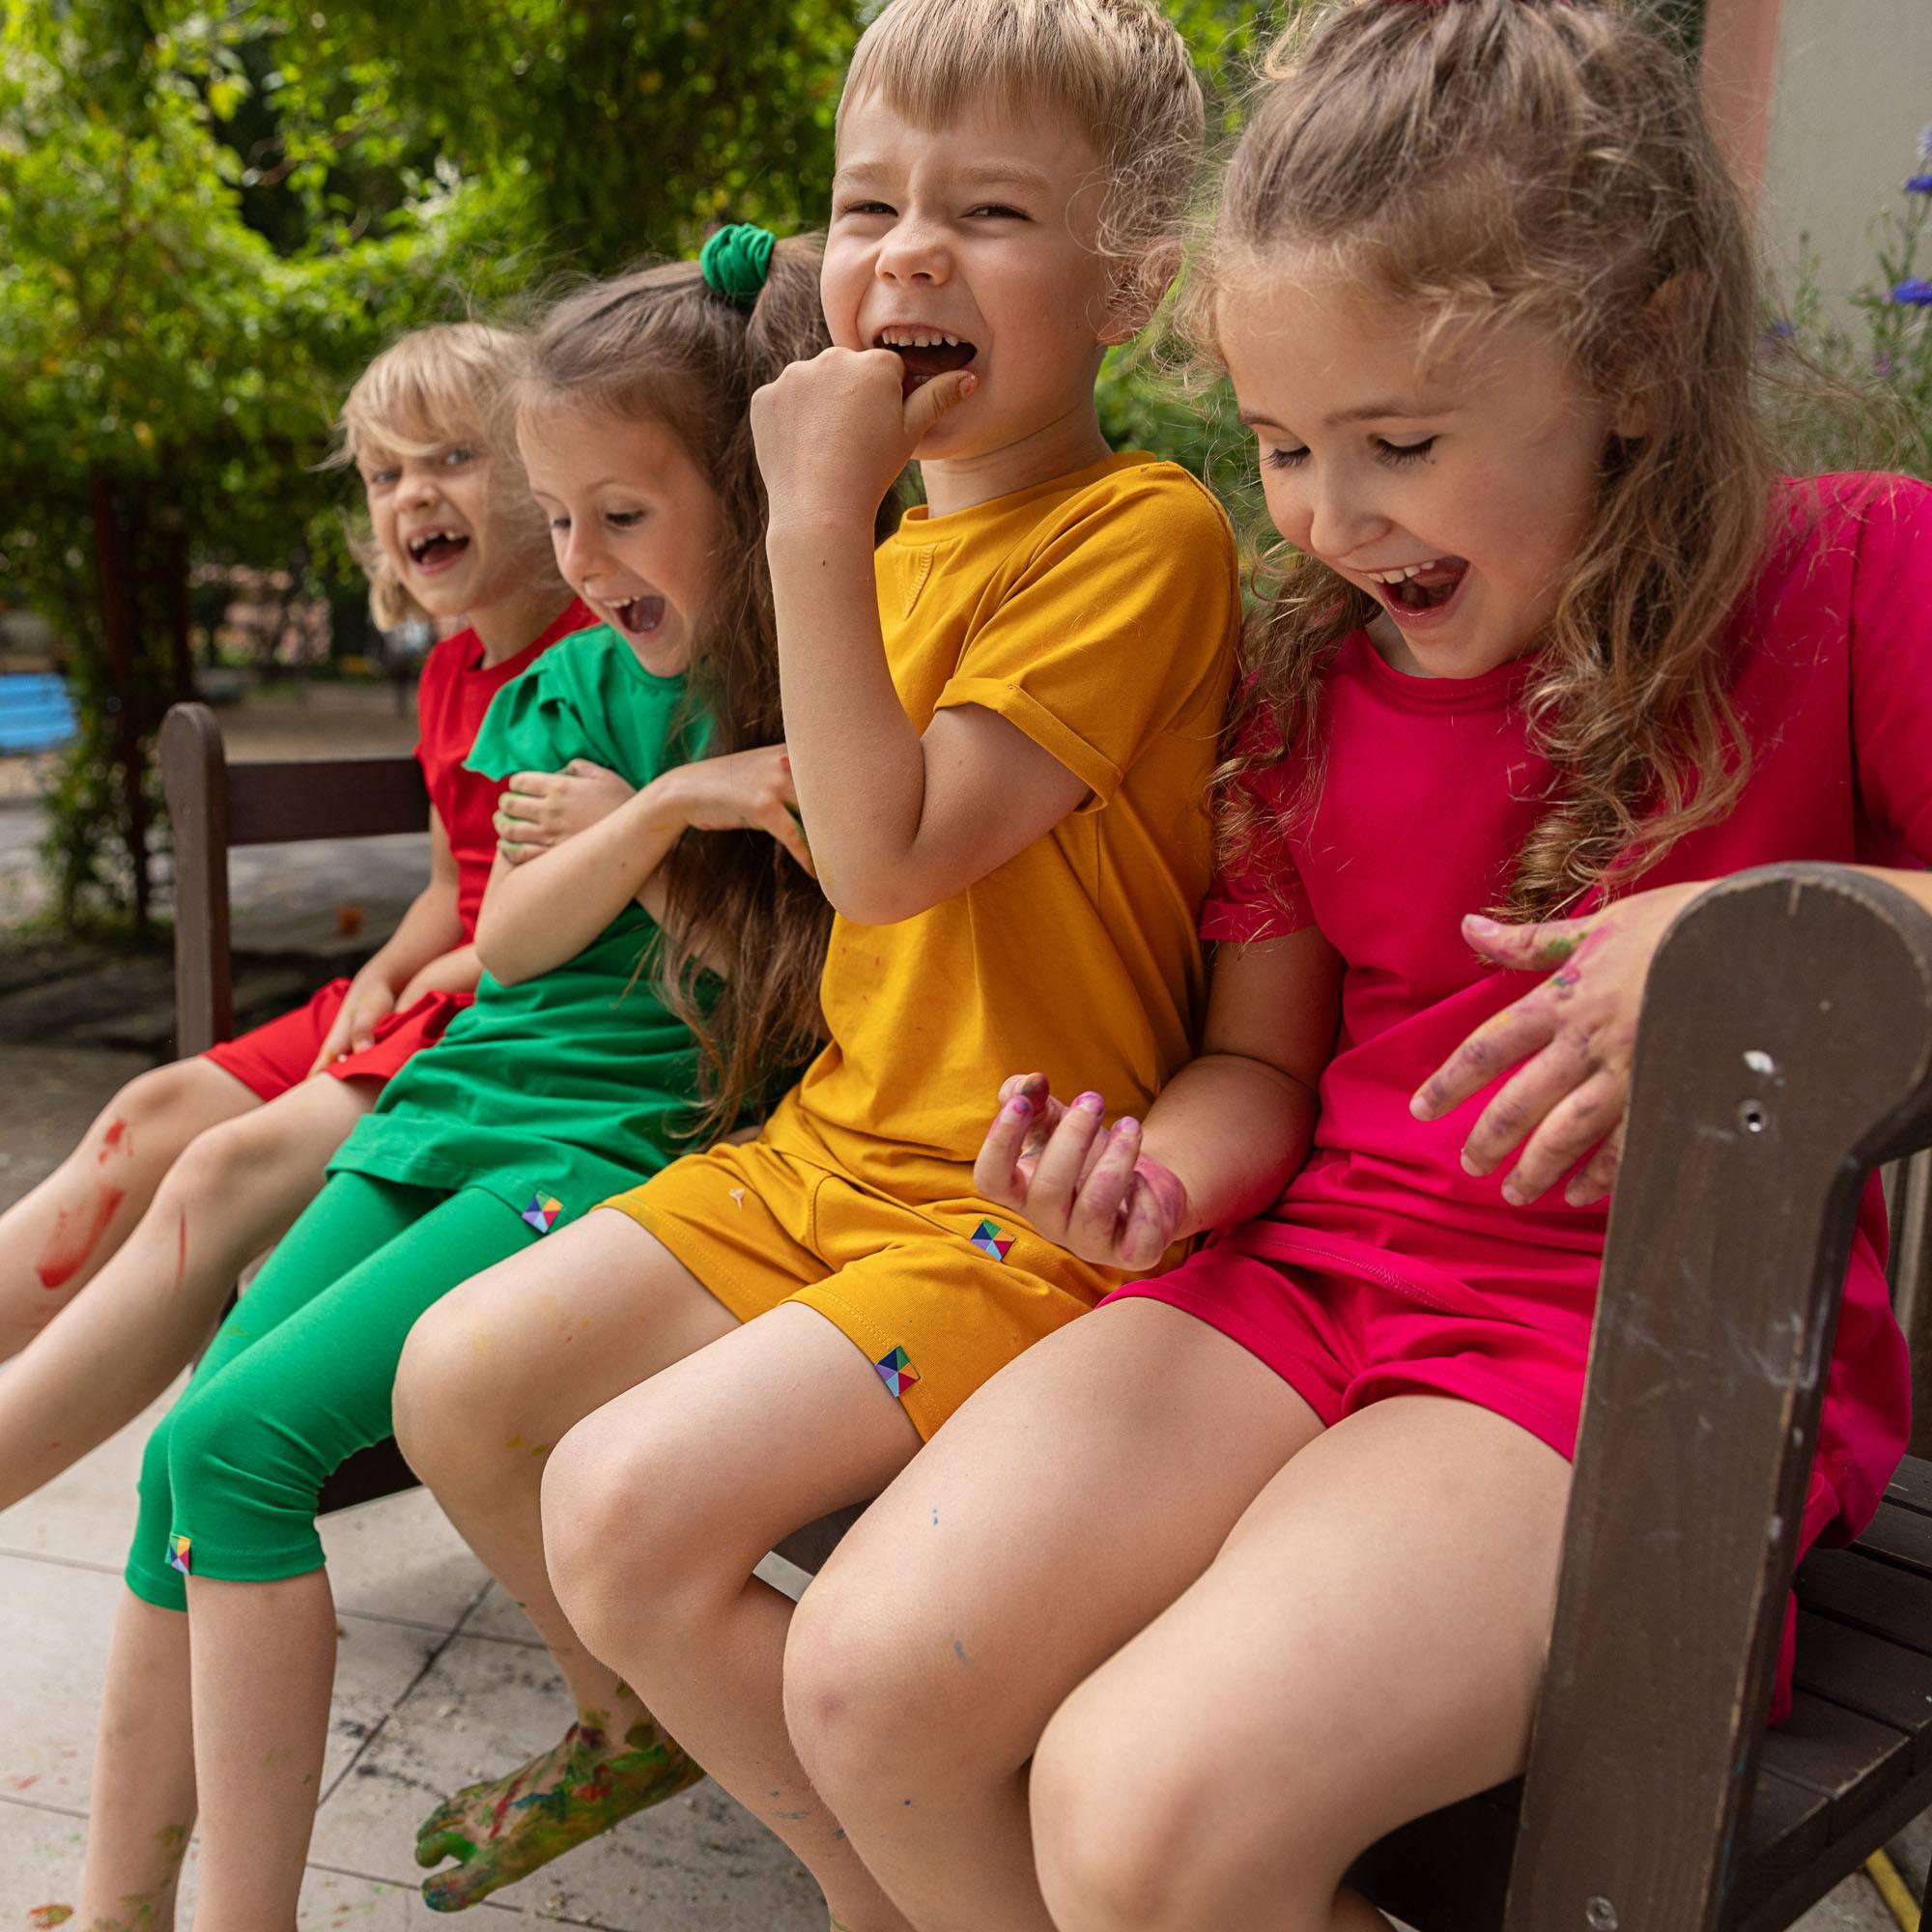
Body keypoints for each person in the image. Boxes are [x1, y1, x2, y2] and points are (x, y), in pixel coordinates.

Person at [778, 5, 1932, 1930]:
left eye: (1396, 441)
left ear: (1633, 360)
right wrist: (1156, 1180)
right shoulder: (1309, 680)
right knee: (865, 1683)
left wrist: (1773, 954)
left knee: (1138, 1810)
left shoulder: (1846, 580)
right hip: (1299, 1279)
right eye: (1281, 444)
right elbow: (1267, 1072)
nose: (1324, 513)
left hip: (1630, 1355)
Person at [393, 5, 1239, 1918]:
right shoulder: (885, 548)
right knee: (460, 1387)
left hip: (1014, 1205)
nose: (911, 251)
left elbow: (886, 846)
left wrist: (803, 516)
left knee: (625, 1506)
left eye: (991, 210)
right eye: (870, 206)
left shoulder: (1140, 534)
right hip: (836, 1148)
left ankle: (926, 1896)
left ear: (1130, 284)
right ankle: (850, 1857)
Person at [68, 242, 830, 1932]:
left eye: (620, 514)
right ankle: (121, 1902)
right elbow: (522, 933)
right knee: (182, 1462)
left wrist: (646, 829)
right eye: (560, 521)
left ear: (745, 488)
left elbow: (783, 952)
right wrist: (661, 813)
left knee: (247, 1441)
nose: (580, 560)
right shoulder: (568, 684)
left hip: (606, 1141)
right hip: (461, 1099)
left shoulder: (813, 673)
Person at [0, 323, 586, 1517]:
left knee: (223, 1168)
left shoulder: (598, 658)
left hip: (515, 1010)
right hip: (435, 985)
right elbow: (449, 880)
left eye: (452, 456)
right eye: (385, 473)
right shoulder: (448, 673)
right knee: (147, 1110)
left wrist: (439, 975)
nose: (414, 491)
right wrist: (381, 970)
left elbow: (573, 905)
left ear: (546, 471)